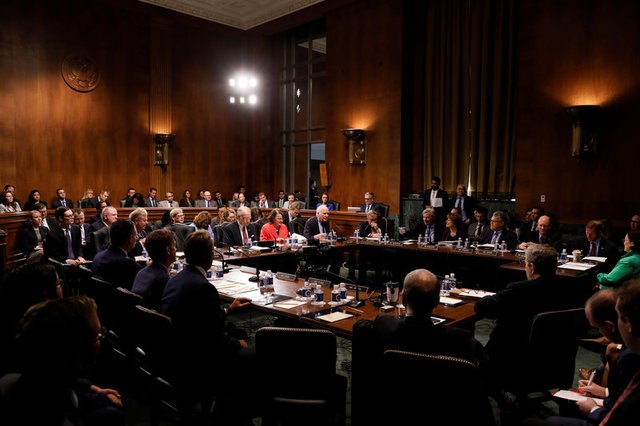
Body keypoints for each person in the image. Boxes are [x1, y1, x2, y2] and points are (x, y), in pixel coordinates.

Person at [160, 230, 254, 424]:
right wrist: (237, 343)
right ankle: (236, 411)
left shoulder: (176, 278)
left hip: (177, 350)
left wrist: (228, 309)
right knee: (254, 354)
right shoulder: (203, 287)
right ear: (211, 255)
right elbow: (212, 337)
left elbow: (200, 319)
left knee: (236, 330)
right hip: (198, 359)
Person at [0, 296, 124, 426]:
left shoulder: (9, 381)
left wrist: (91, 388)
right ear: (77, 357)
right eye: (98, 336)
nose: (101, 340)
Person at [474, 244, 581, 393]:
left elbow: (481, 307)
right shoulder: (571, 288)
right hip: (557, 362)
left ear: (531, 267)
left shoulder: (518, 290)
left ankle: (498, 398)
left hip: (516, 363)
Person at [541, 289, 640, 425]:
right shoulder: (623, 349)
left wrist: (593, 409)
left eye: (598, 328)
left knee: (547, 422)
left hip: (606, 417)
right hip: (609, 404)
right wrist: (604, 391)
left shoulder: (630, 356)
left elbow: (621, 414)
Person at [354, 267, 486, 360]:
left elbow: (359, 326)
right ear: (437, 301)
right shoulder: (460, 338)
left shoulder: (384, 324)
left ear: (403, 298)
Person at [132, 228, 176, 310]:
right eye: (174, 246)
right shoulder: (163, 279)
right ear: (168, 250)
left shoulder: (142, 272)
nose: (175, 249)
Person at [91, 219, 142, 289]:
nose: (137, 238)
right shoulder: (127, 264)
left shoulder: (98, 256)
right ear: (130, 238)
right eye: (136, 235)